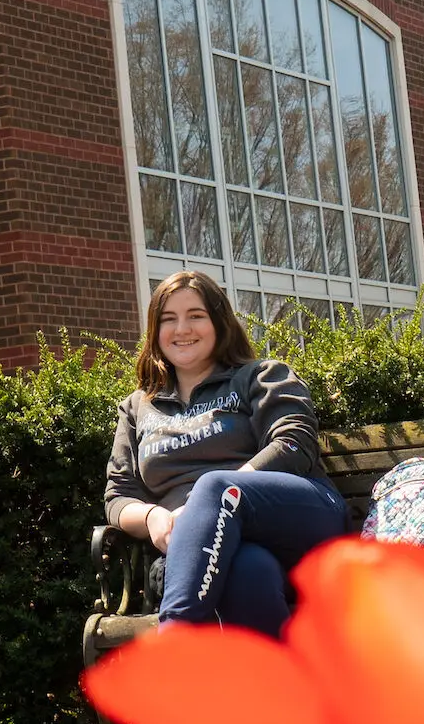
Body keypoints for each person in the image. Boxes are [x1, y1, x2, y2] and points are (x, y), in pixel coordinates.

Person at [104, 271, 347, 635]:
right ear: (155, 332)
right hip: (209, 553)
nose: (182, 328)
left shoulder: (260, 376)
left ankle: (175, 642)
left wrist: (211, 501)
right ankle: (280, 689)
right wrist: (154, 516)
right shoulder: (139, 406)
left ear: (220, 323)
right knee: (249, 572)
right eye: (168, 319)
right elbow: (118, 494)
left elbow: (294, 443)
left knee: (215, 487)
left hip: (297, 520)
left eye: (196, 315)